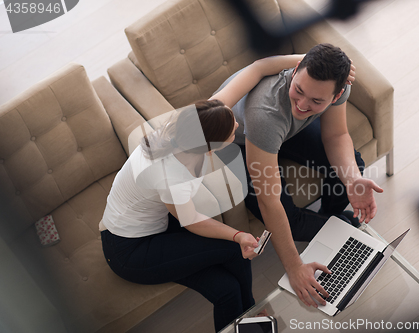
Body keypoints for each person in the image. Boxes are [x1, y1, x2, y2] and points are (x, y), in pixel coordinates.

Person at [98, 54, 309, 332]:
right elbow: (191, 220)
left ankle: (250, 315)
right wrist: (238, 235)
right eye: (232, 132)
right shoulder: (170, 172)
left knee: (227, 291)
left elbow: (258, 68)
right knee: (235, 249)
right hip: (130, 250)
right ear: (210, 146)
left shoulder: (193, 125)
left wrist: (306, 61)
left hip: (157, 225)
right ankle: (252, 313)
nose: (236, 125)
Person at [216, 43, 383, 309]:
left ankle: (332, 219)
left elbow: (336, 136)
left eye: (317, 101)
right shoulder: (265, 115)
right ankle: (337, 225)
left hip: (282, 131)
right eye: (299, 91)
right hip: (237, 143)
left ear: (337, 93)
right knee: (288, 219)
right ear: (294, 71)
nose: (303, 105)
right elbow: (269, 202)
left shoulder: (338, 87)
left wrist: (351, 181)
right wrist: (295, 267)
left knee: (353, 169)